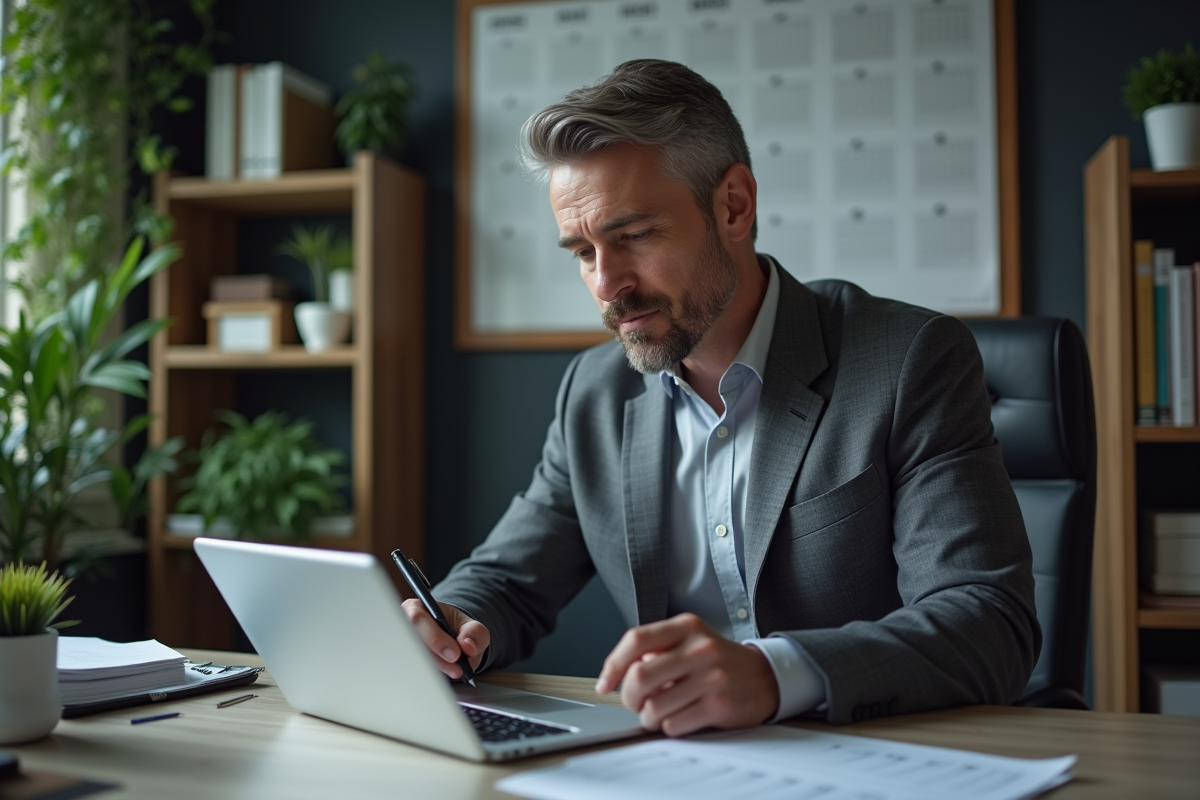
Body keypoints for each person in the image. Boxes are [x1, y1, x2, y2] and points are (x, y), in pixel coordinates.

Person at [405, 59, 1039, 735]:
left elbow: (988, 621)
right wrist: (450, 623)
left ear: (733, 205)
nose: (607, 284)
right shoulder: (594, 393)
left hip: (872, 751)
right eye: (584, 253)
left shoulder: (907, 360)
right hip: (676, 760)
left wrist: (775, 674)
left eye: (633, 236)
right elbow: (507, 580)